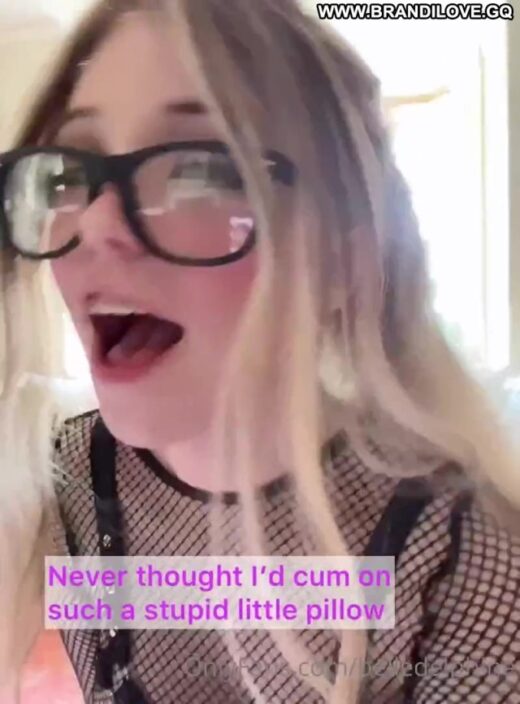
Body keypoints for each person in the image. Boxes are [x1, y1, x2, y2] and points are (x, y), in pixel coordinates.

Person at [0, 0, 519, 702]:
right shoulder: (67, 480)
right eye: (72, 173)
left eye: (199, 171)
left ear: (342, 262)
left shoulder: (462, 550)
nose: (92, 221)